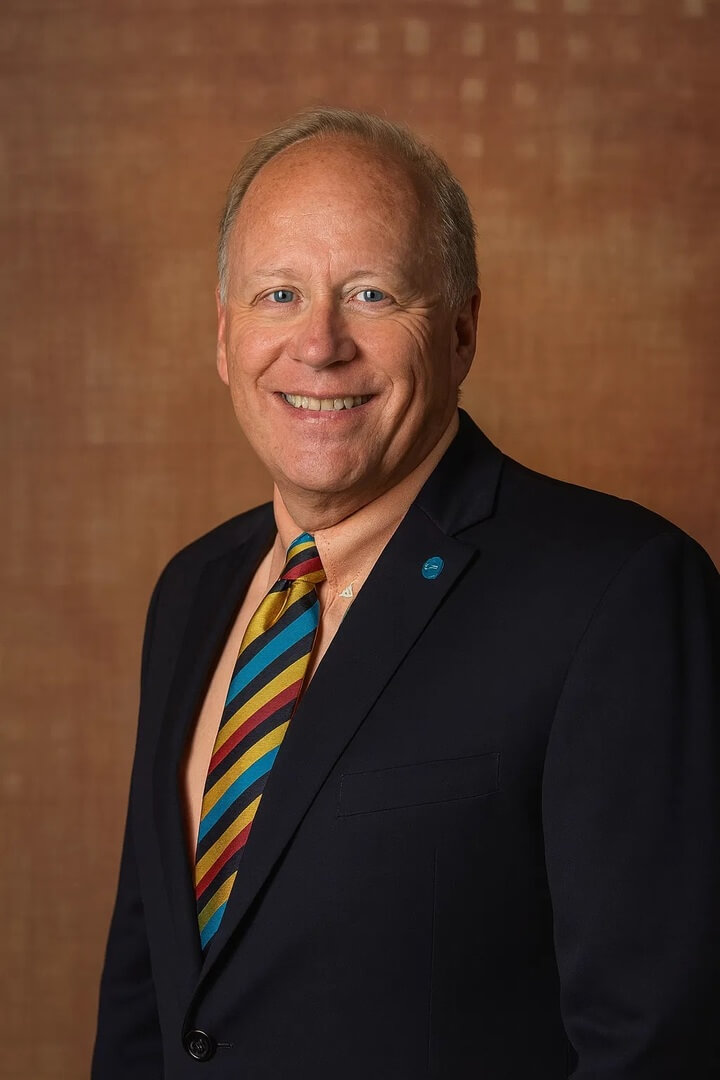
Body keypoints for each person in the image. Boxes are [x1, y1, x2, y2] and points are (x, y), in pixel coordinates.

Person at [92, 107, 720, 1079]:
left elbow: (658, 1044)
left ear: (464, 329)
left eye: (374, 294)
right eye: (279, 294)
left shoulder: (621, 595)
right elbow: (151, 1000)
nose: (320, 344)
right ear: (225, 339)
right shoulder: (195, 591)